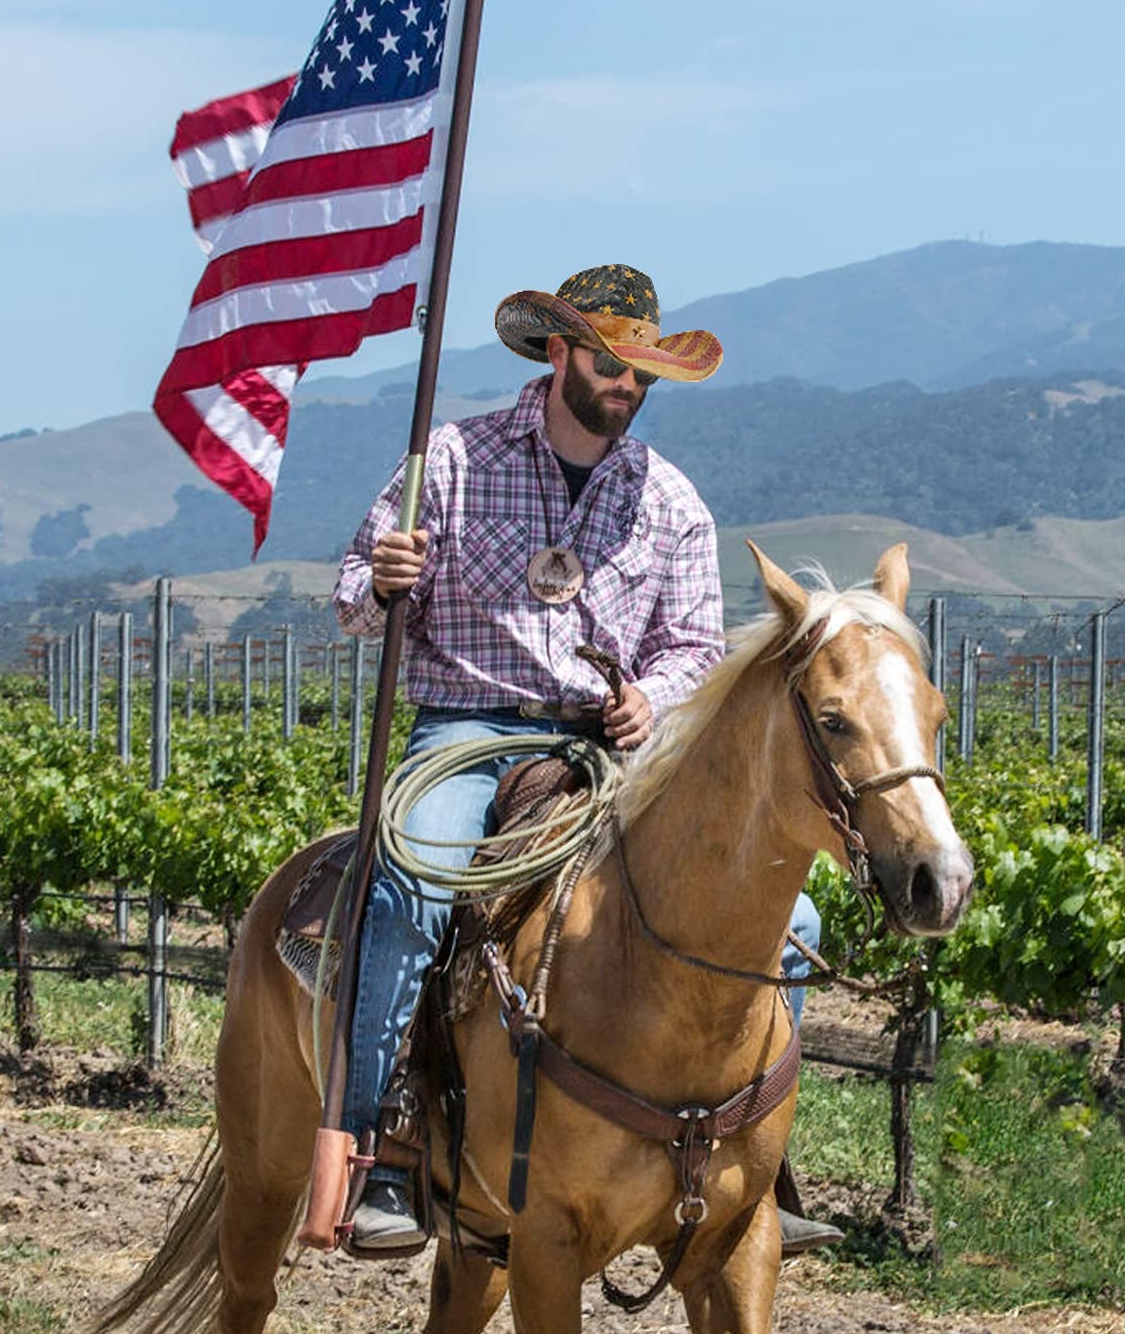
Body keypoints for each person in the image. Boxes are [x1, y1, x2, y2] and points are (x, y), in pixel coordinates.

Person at [332, 264, 831, 1252]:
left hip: (608, 748)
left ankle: (756, 1158)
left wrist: (657, 695)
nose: (626, 387)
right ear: (557, 351)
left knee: (796, 915)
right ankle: (380, 1141)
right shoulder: (453, 460)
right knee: (408, 888)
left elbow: (692, 647)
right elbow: (353, 591)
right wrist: (384, 581)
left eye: (640, 373)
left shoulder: (670, 500)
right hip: (469, 732)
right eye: (610, 364)